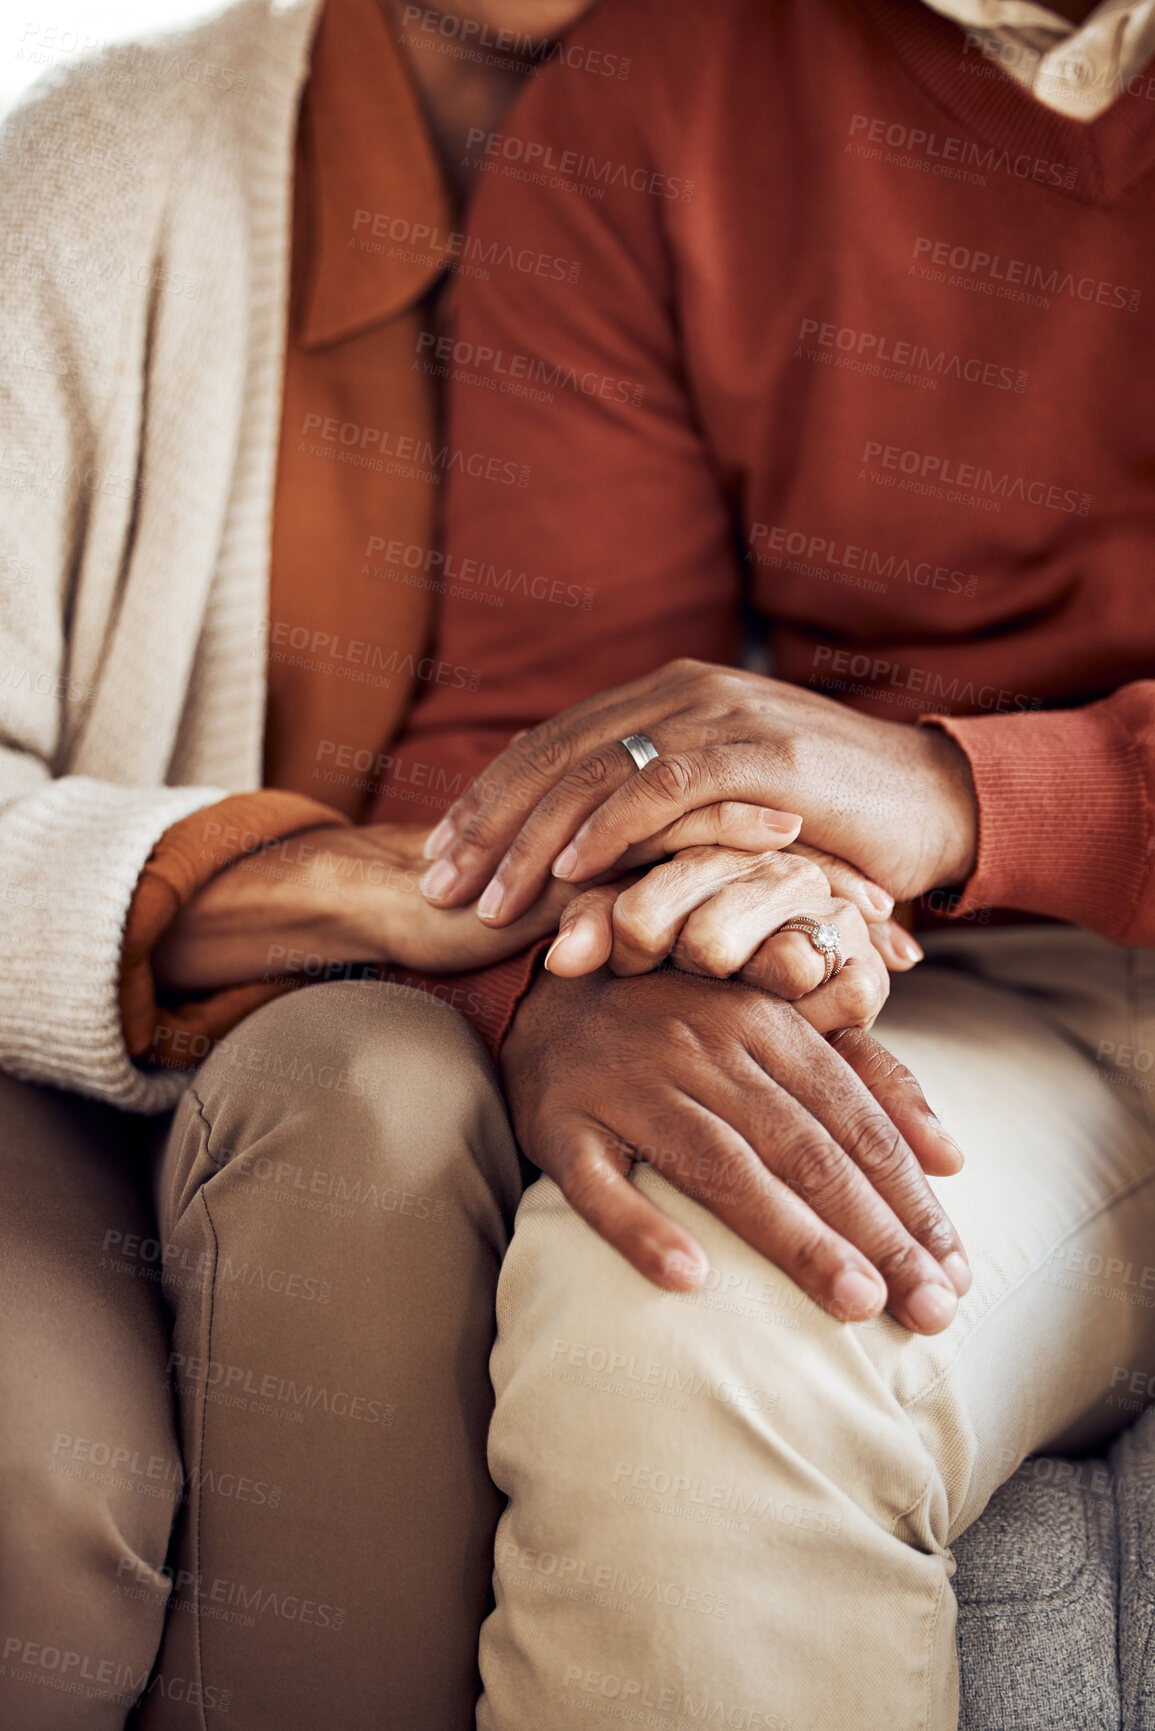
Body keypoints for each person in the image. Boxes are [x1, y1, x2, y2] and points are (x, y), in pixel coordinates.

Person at [358, 0, 1155, 1724]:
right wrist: (572, 978)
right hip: (985, 986)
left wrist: (958, 790)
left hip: (969, 863)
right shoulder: (660, 83)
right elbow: (532, 723)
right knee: (691, 1295)